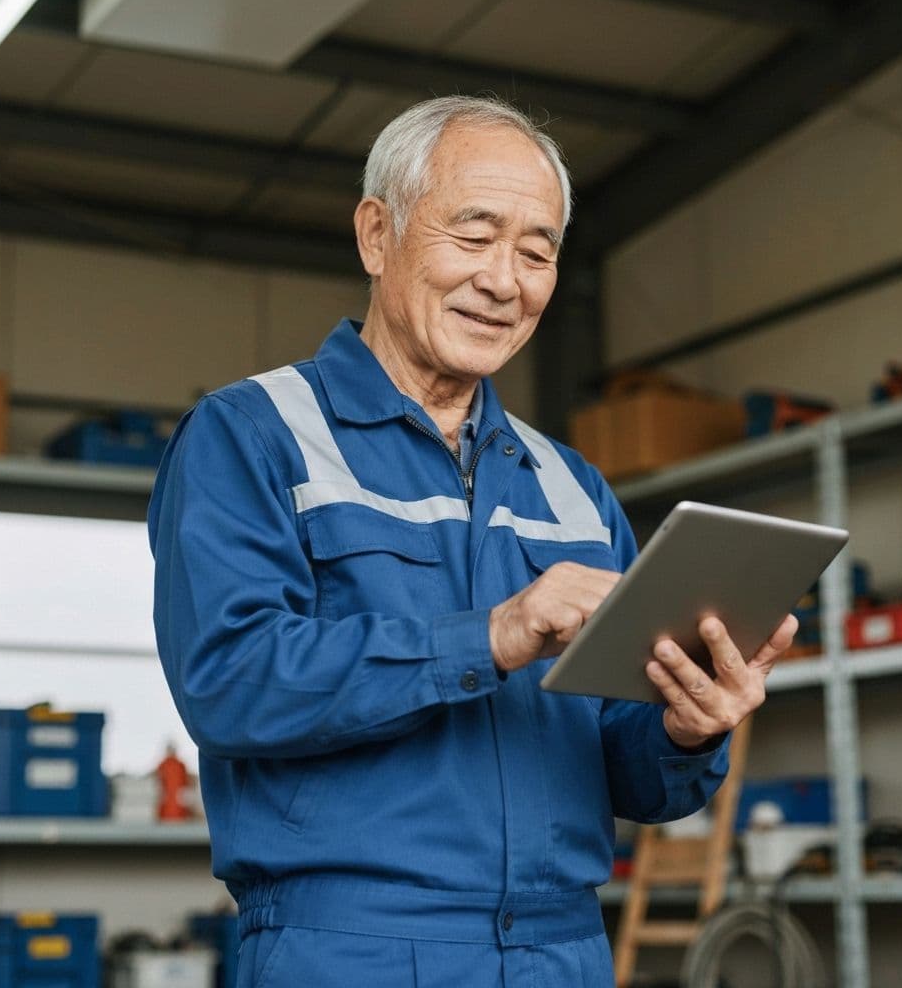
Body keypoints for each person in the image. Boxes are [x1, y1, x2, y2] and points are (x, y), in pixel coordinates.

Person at [148, 95, 796, 987]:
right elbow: (231, 681)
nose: (506, 280)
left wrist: (688, 731)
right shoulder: (253, 436)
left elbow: (635, 779)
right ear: (378, 235)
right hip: (348, 949)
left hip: (563, 950)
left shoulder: (572, 485)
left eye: (538, 252)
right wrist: (491, 636)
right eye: (475, 234)